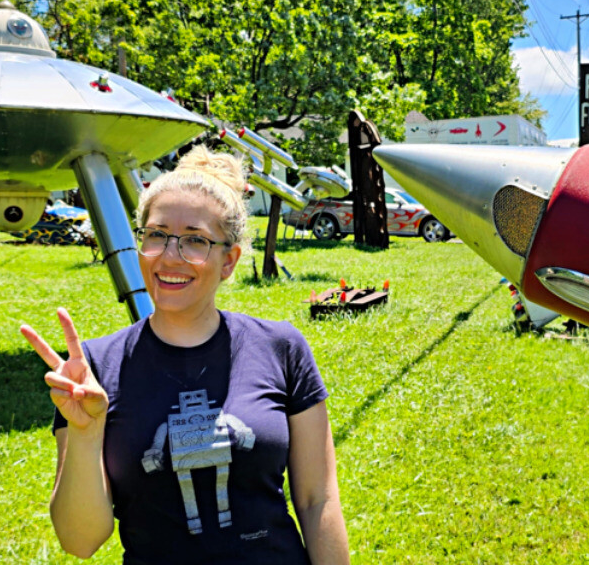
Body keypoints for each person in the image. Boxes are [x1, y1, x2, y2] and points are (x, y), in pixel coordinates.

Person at [20, 147, 349, 564]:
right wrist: (85, 434)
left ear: (228, 261)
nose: (170, 256)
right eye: (156, 234)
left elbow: (317, 499)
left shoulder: (280, 347)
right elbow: (80, 541)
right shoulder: (94, 370)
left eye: (195, 240)